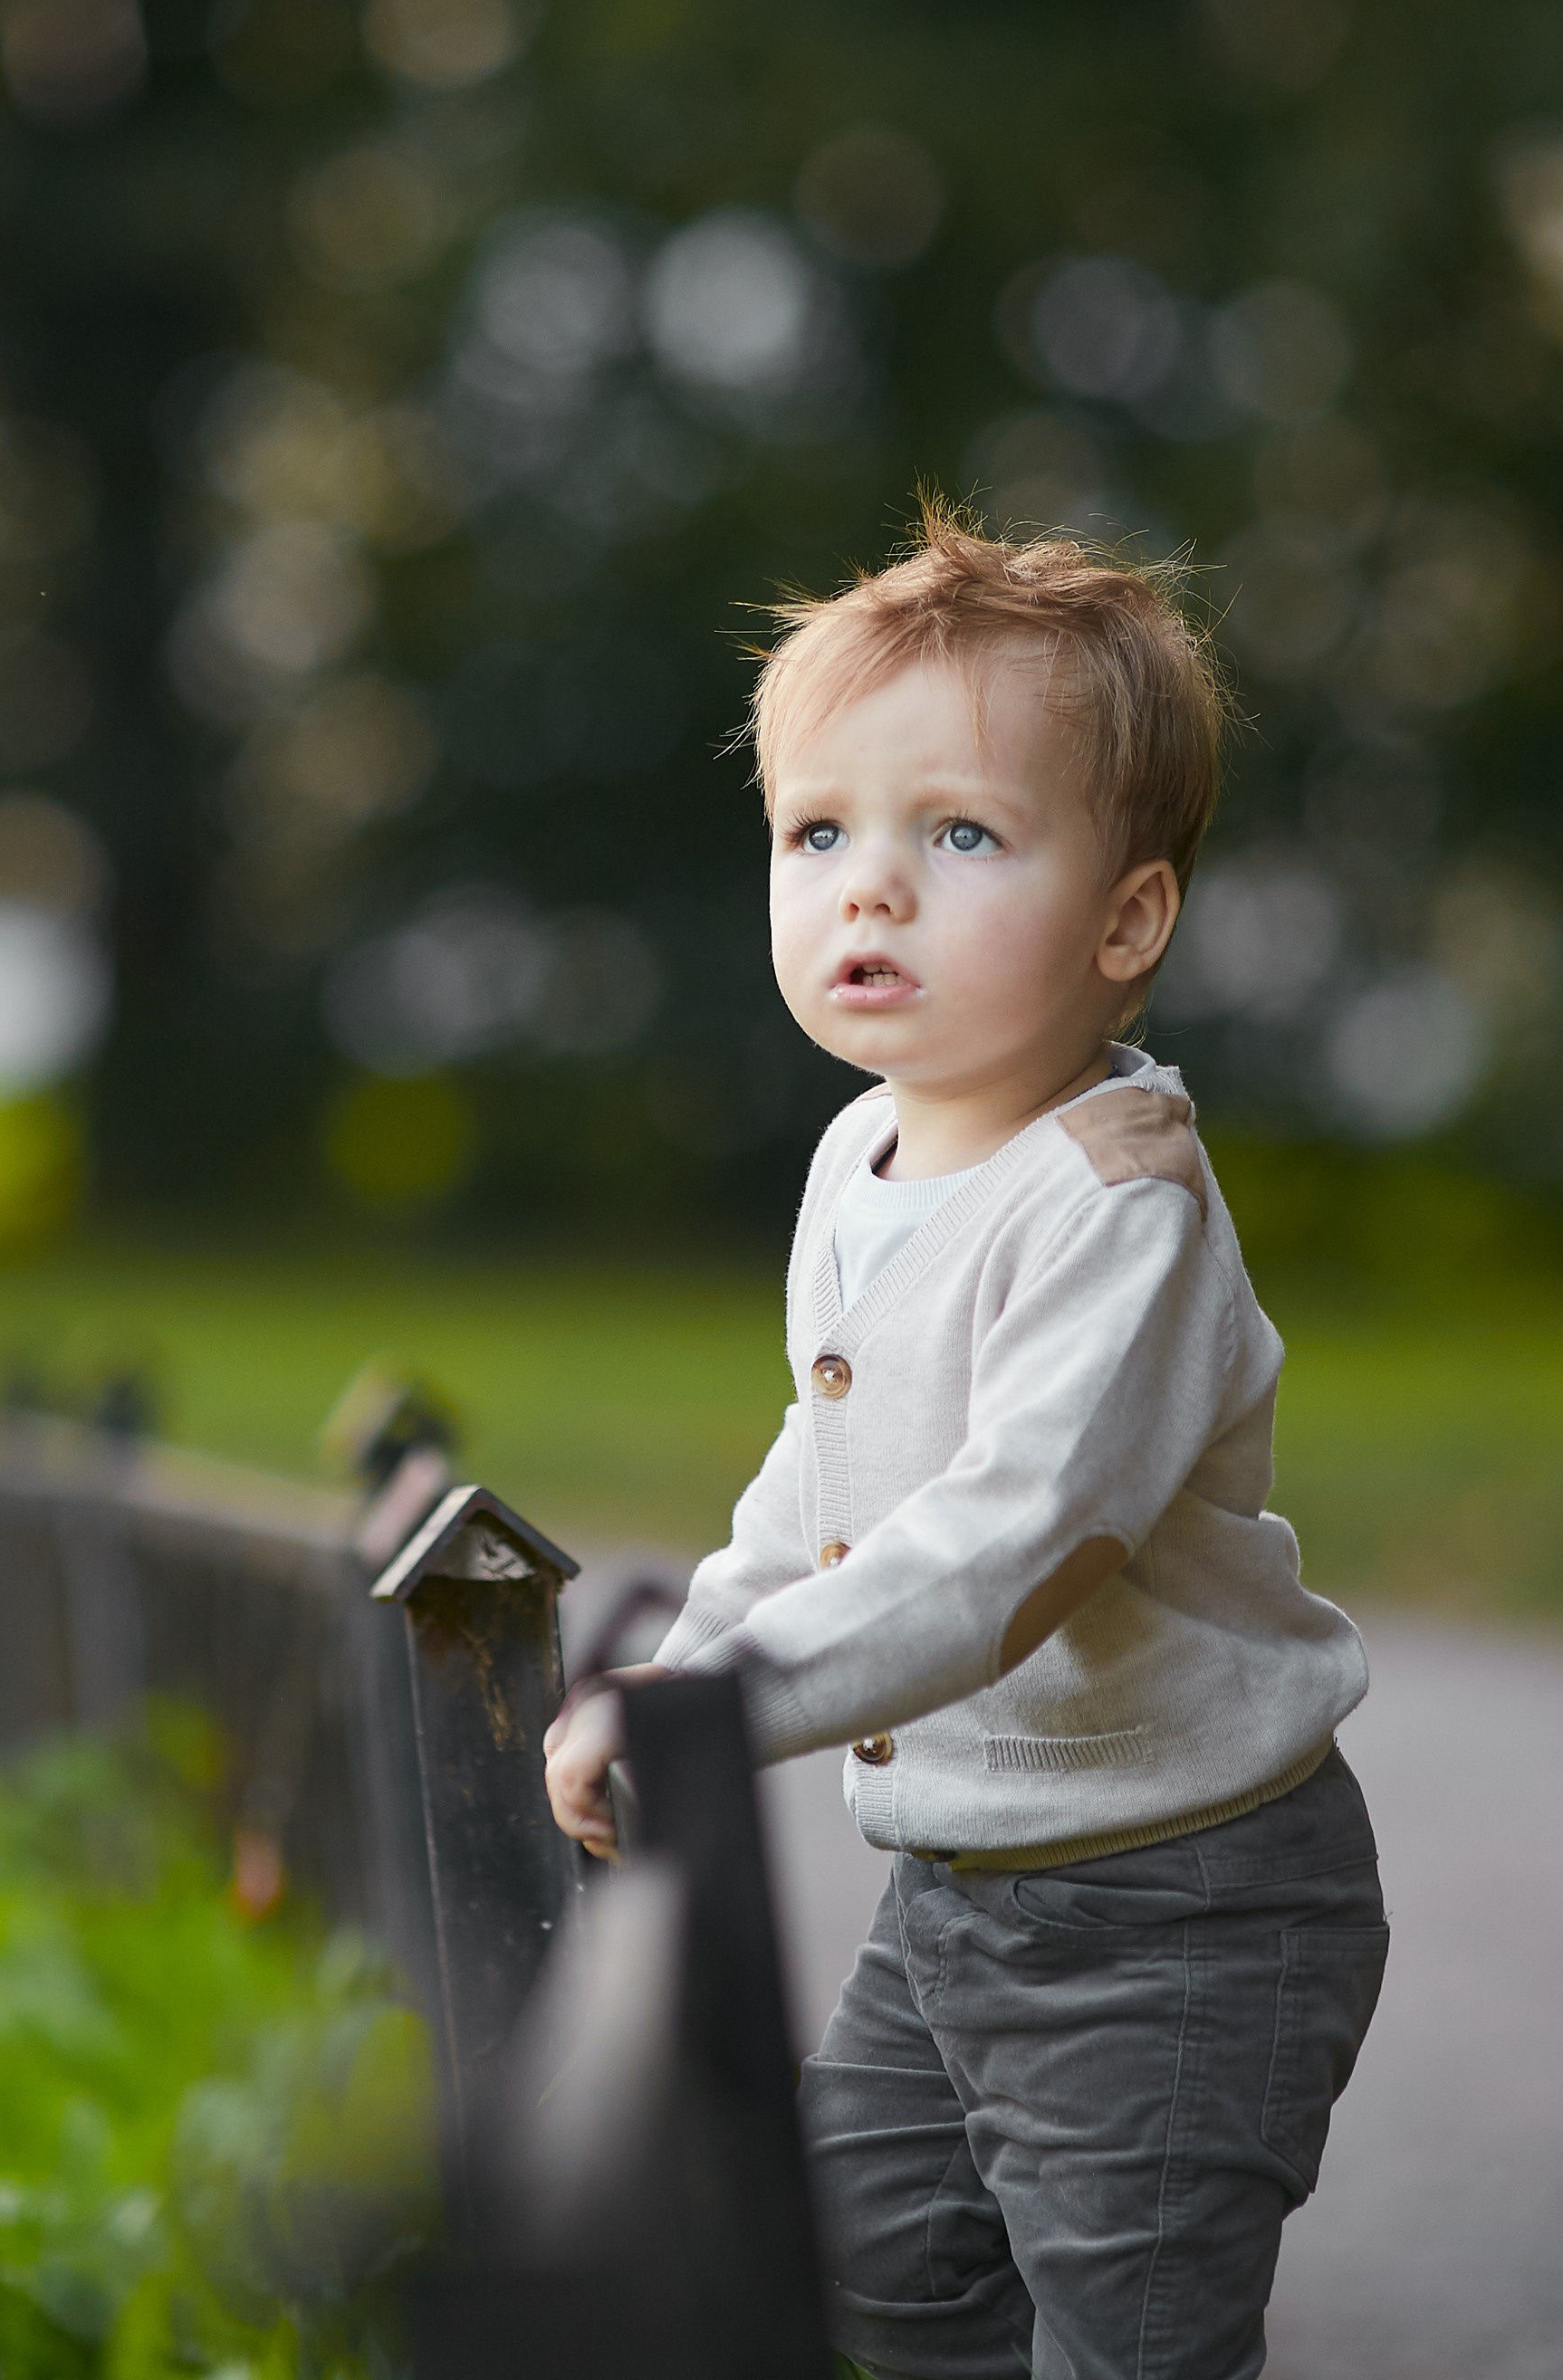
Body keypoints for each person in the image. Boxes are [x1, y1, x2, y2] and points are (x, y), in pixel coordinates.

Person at [542, 499, 1386, 2380]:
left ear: (1125, 917)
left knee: (1129, 2339)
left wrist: (721, 1712)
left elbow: (1002, 1550)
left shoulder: (1115, 1208)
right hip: (959, 1892)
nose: (868, 888)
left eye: (958, 834)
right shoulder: (865, 1156)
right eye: (818, 832)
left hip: (1179, 1906)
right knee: (884, 2277)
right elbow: (824, 1476)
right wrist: (697, 1652)